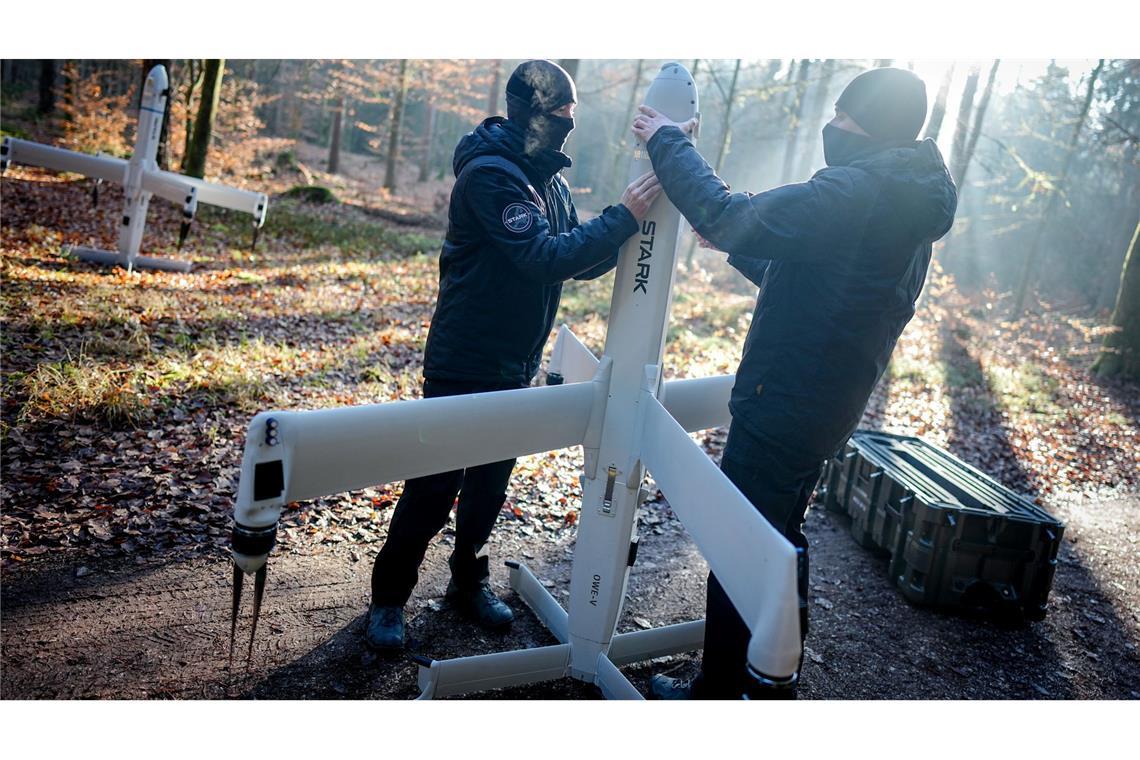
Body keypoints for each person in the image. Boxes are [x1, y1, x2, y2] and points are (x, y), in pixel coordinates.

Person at [631, 67, 957, 698]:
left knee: (743, 547)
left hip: (783, 403)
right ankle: (766, 679)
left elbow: (730, 214)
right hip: (822, 405)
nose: (832, 128)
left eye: (846, 119)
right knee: (775, 540)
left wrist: (670, 141)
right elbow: (829, 288)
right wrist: (738, 242)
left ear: (874, 128)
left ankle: (725, 693)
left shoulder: (857, 190)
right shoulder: (906, 201)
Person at [366, 60, 662, 652]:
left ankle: (465, 585)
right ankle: (388, 599)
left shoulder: (545, 178)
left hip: (513, 364)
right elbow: (543, 258)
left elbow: (572, 256)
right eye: (562, 115)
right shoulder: (491, 176)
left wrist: (626, 229)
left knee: (489, 489)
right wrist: (621, 217)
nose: (569, 125)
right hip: (463, 361)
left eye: (574, 115)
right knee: (433, 487)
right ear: (532, 112)